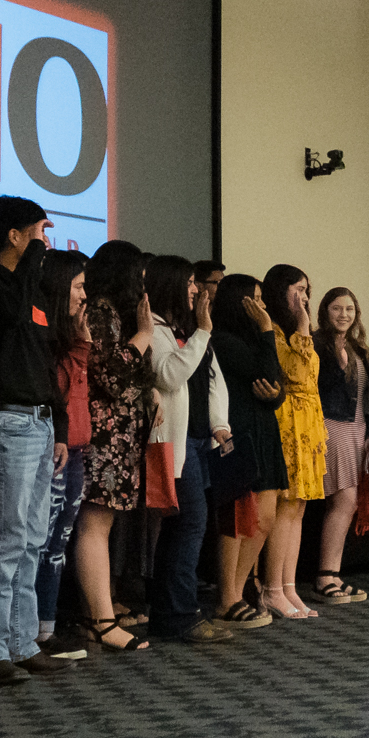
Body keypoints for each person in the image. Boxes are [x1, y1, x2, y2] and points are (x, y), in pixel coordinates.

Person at [0, 196, 74, 683]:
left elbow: (48, 364)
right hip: (5, 421)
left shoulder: (35, 290)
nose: (45, 241)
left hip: (41, 422)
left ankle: (23, 642)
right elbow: (6, 316)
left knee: (32, 539)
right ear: (15, 235)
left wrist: (61, 429)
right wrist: (29, 265)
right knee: (8, 540)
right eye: (38, 231)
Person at [144, 255, 235, 644]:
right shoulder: (158, 330)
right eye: (189, 284)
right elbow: (168, 374)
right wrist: (201, 332)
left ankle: (170, 612)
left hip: (198, 440)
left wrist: (220, 425)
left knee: (185, 525)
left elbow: (212, 380)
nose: (196, 290)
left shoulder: (184, 328)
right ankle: (179, 614)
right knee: (190, 523)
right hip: (175, 445)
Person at [75, 241, 158, 651]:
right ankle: (102, 621)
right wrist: (144, 335)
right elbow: (110, 377)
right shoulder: (101, 310)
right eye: (138, 273)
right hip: (102, 435)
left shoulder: (113, 313)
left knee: (103, 527)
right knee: (94, 525)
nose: (144, 282)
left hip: (121, 435)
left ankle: (100, 613)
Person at [208, 274, 286, 629]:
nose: (262, 307)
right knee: (238, 519)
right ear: (238, 303)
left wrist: (275, 394)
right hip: (239, 435)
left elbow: (276, 385)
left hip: (265, 433)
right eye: (255, 299)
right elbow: (263, 373)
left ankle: (237, 593)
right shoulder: (223, 340)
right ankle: (227, 598)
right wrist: (268, 329)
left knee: (265, 519)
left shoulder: (255, 340)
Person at [35, 247, 92, 657]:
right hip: (51, 450)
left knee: (60, 542)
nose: (84, 296)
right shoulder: (46, 342)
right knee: (41, 541)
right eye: (78, 287)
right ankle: (32, 631)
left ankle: (46, 627)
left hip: (78, 450)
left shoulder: (74, 340)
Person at [260, 265, 325, 619]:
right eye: (298, 289)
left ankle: (289, 587)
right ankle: (272, 589)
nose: (304, 296)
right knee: (285, 509)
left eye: (307, 290)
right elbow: (296, 372)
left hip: (308, 425)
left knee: (298, 509)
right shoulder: (272, 327)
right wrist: (302, 326)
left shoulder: (299, 331)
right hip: (286, 423)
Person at [312, 287, 369, 605]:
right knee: (344, 500)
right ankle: (325, 575)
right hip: (331, 426)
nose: (343, 314)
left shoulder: (359, 348)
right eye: (337, 308)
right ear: (325, 311)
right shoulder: (316, 343)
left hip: (358, 430)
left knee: (348, 504)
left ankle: (333, 574)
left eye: (349, 309)